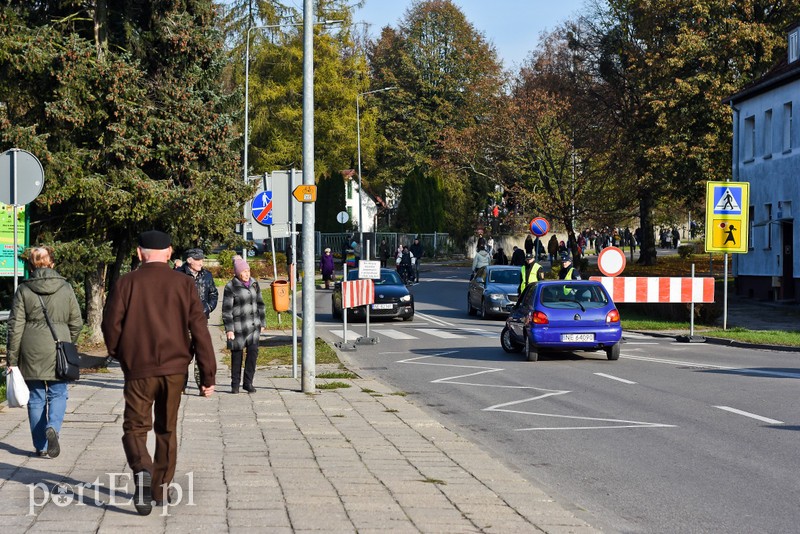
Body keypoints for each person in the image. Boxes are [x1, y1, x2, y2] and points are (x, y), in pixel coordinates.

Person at [102, 231, 216, 515]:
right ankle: (160, 488)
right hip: (175, 369)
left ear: (139, 253)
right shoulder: (184, 284)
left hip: (138, 368)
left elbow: (110, 325)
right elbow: (199, 330)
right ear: (169, 252)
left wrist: (120, 354)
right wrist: (208, 375)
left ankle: (141, 467)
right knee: (167, 429)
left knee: (135, 427)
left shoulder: (126, 283)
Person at [6, 246, 82, 459]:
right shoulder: (65, 287)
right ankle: (53, 428)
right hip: (59, 348)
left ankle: (40, 445)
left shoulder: (24, 290)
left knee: (36, 397)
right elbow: (76, 321)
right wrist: (67, 342)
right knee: (58, 392)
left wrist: (12, 358)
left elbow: (15, 325)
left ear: (31, 265)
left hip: (30, 350)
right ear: (52, 263)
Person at [175, 248, 218, 393]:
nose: (201, 262)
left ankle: (203, 386)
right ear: (189, 260)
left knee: (202, 353)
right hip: (182, 323)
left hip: (201, 320)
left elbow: (213, 294)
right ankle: (181, 386)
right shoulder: (177, 275)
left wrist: (208, 308)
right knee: (183, 354)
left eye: (202, 259)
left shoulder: (206, 275)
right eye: (198, 259)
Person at [222, 255, 266, 395]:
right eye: (244, 271)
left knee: (252, 354)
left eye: (248, 271)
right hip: (238, 327)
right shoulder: (231, 287)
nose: (247, 274)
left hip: (253, 326)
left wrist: (262, 322)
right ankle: (235, 385)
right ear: (237, 272)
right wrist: (229, 329)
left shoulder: (254, 283)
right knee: (237, 356)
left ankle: (248, 383)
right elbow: (226, 310)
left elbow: (260, 304)